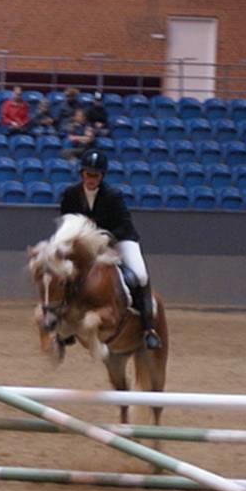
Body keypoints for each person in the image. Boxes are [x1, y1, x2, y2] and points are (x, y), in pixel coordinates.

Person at [59, 149, 162, 350]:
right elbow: (66, 221)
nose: (91, 179)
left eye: (95, 175)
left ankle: (149, 328)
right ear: (82, 174)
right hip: (84, 245)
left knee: (140, 275)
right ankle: (63, 324)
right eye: (88, 174)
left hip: (119, 239)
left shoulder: (113, 195)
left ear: (102, 176)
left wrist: (103, 237)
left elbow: (123, 224)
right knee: (61, 271)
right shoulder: (71, 194)